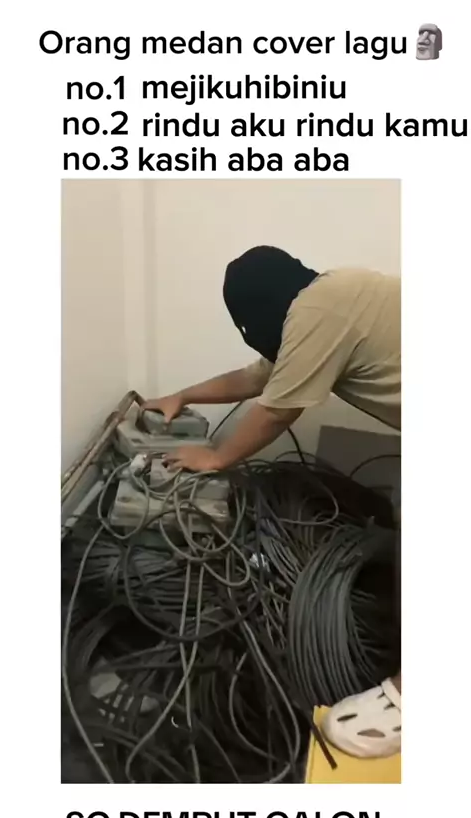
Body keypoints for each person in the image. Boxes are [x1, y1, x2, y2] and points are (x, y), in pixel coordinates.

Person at [142, 245, 401, 758]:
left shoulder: (319, 309)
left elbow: (278, 409)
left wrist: (217, 457)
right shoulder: (324, 301)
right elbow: (256, 378)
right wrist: (183, 396)